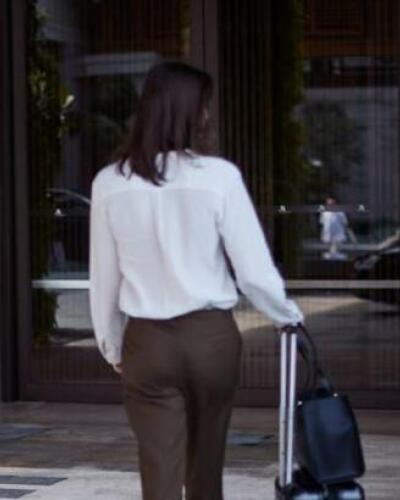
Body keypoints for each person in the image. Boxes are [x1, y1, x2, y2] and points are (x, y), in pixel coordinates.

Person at [88, 62, 305, 500]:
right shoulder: (219, 177)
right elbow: (253, 271)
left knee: (159, 472)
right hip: (210, 339)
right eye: (204, 106)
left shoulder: (110, 183)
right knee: (206, 469)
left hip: (147, 341)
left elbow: (104, 278)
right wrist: (287, 316)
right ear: (190, 112)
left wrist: (112, 346)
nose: (207, 116)